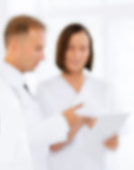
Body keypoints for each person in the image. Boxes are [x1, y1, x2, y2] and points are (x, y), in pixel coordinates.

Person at [0, 15, 83, 170]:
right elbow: (13, 142)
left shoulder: (21, 86)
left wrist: (67, 128)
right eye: (37, 48)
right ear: (14, 46)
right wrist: (64, 121)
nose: (43, 56)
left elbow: (33, 137)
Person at [36, 23, 120, 170]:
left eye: (83, 48)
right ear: (62, 51)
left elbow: (113, 144)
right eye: (70, 48)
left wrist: (98, 127)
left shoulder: (104, 89)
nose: (77, 55)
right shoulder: (45, 90)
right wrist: (80, 121)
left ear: (89, 52)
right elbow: (51, 144)